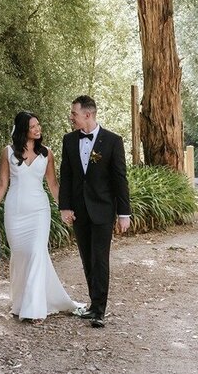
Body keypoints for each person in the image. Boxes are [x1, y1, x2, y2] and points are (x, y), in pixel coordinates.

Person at [0, 111, 81, 324]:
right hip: (15, 212)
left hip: (39, 211)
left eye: (38, 125)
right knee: (21, 256)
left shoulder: (47, 153)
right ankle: (20, 303)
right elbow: (2, 184)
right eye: (33, 126)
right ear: (22, 130)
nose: (38, 129)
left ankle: (35, 309)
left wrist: (65, 208)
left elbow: (53, 184)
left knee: (37, 252)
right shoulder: (8, 152)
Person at [58, 95, 131, 329]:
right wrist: (65, 207)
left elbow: (120, 179)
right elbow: (66, 176)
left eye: (74, 114)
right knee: (87, 258)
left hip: (103, 210)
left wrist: (124, 213)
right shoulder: (69, 141)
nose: (71, 118)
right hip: (79, 211)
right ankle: (93, 304)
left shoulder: (113, 141)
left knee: (100, 259)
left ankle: (99, 310)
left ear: (87, 115)